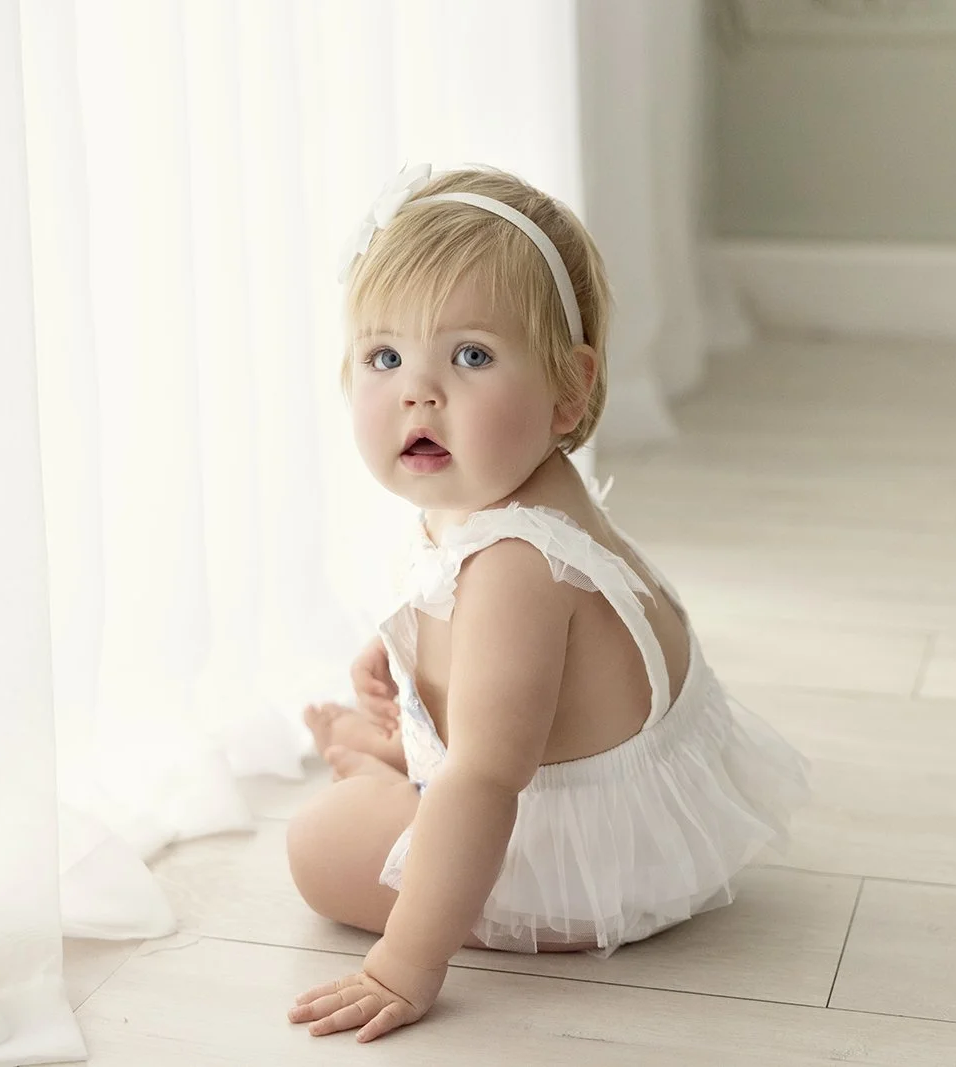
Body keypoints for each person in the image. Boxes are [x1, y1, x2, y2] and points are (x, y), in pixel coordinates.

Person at [285, 163, 811, 1043]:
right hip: (615, 799)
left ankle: (381, 772)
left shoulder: (517, 566)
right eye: (386, 357)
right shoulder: (512, 484)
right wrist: (407, 652)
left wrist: (405, 963)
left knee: (318, 843)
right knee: (455, 752)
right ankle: (399, 755)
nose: (420, 391)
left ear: (568, 389)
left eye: (471, 355)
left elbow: (490, 777)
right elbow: (501, 650)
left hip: (575, 867)